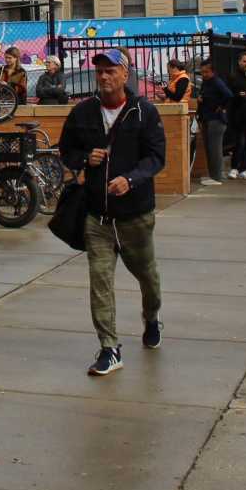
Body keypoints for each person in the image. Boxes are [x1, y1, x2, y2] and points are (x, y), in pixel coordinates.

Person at [58, 49, 166, 377]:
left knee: (147, 276)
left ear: (125, 73)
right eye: (99, 71)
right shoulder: (83, 113)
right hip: (97, 218)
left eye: (110, 71)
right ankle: (109, 347)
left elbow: (157, 158)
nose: (104, 76)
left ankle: (151, 317)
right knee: (100, 281)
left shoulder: (143, 112)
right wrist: (82, 159)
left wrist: (131, 179)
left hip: (135, 216)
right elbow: (66, 150)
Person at [196, 59, 230, 187]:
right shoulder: (207, 82)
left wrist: (221, 106)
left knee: (214, 149)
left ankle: (216, 176)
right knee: (211, 149)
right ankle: (214, 175)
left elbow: (228, 95)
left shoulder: (216, 82)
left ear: (213, 72)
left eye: (206, 72)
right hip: (208, 118)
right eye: (202, 72)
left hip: (215, 120)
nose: (204, 74)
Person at [227, 52, 246, 181]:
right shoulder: (233, 77)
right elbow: (229, 95)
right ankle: (234, 168)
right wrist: (238, 96)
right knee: (239, 143)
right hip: (237, 116)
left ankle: (244, 169)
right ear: (239, 62)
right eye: (244, 61)